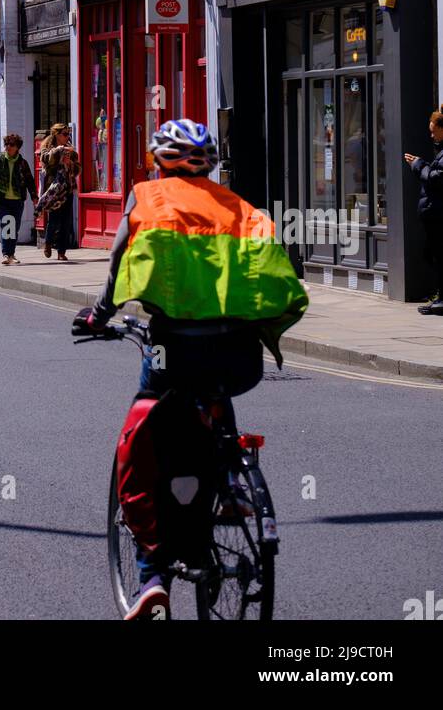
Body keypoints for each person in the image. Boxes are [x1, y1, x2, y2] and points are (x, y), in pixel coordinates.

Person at [73, 118, 308, 621]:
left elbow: (118, 263)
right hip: (240, 358)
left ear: (159, 161)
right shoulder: (240, 208)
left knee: (143, 439)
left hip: (173, 352)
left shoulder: (148, 198)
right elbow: (272, 274)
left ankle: (152, 574)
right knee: (216, 406)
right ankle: (231, 488)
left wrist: (99, 315)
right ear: (210, 163)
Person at [405, 108, 443, 315]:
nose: (431, 135)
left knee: (437, 256)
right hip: (434, 214)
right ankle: (439, 297)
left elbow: (437, 178)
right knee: (433, 256)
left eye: (434, 131)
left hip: (439, 215)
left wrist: (419, 165)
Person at [0, 133, 37, 265]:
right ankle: (6, 254)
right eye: (6, 144)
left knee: (15, 227)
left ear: (17, 147)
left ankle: (11, 254)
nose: (8, 147)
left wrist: (34, 196)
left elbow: (30, 181)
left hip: (17, 199)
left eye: (11, 145)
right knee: (7, 224)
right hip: (2, 199)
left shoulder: (22, 163)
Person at [38, 123, 80, 258]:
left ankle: (61, 252)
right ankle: (48, 243)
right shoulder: (47, 147)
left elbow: (78, 169)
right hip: (54, 190)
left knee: (66, 221)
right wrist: (58, 152)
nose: (67, 137)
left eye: (68, 134)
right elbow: (45, 159)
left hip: (67, 188)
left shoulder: (70, 150)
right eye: (65, 134)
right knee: (54, 219)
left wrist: (70, 163)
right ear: (56, 134)